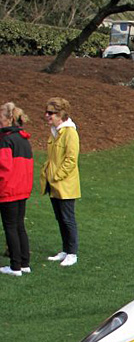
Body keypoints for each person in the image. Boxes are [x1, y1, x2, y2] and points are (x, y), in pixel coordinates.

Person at [41, 97, 80, 267]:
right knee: (60, 218)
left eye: (51, 113)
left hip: (64, 184)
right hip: (54, 184)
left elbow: (71, 160)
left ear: (61, 114)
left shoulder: (70, 132)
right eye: (47, 112)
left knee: (67, 218)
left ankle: (72, 253)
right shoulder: (55, 131)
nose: (47, 115)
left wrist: (56, 176)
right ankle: (65, 250)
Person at [0, 101, 33, 277]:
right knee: (19, 226)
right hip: (21, 189)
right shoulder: (23, 139)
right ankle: (24, 262)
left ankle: (15, 266)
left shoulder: (6, 140)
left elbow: (3, 168)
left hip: (9, 190)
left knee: (11, 227)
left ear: (8, 119)